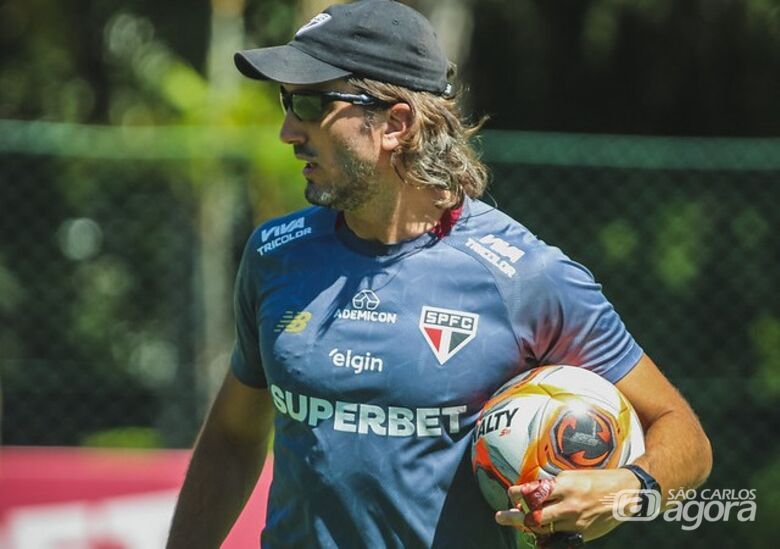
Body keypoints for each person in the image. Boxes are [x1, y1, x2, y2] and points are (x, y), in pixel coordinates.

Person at [167, 1, 712, 548]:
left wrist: (625, 490)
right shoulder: (275, 254)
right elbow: (233, 440)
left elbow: (685, 437)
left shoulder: (526, 276)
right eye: (287, 102)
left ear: (395, 124)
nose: (288, 130)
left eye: (311, 103)